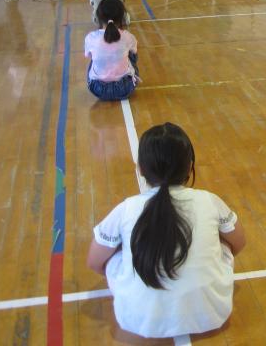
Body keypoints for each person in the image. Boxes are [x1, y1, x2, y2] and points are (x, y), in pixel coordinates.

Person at [87, 122, 246, 338]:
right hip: (212, 314)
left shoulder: (126, 208)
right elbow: (239, 242)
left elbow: (95, 262)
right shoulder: (209, 200)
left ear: (140, 168)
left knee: (113, 252)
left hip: (136, 319)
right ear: (190, 166)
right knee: (223, 240)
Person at [85, 0, 139, 101]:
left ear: (98, 17)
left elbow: (88, 56)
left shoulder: (91, 37)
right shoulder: (128, 36)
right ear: (122, 17)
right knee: (132, 53)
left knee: (93, 57)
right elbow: (135, 53)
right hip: (125, 89)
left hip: (98, 90)